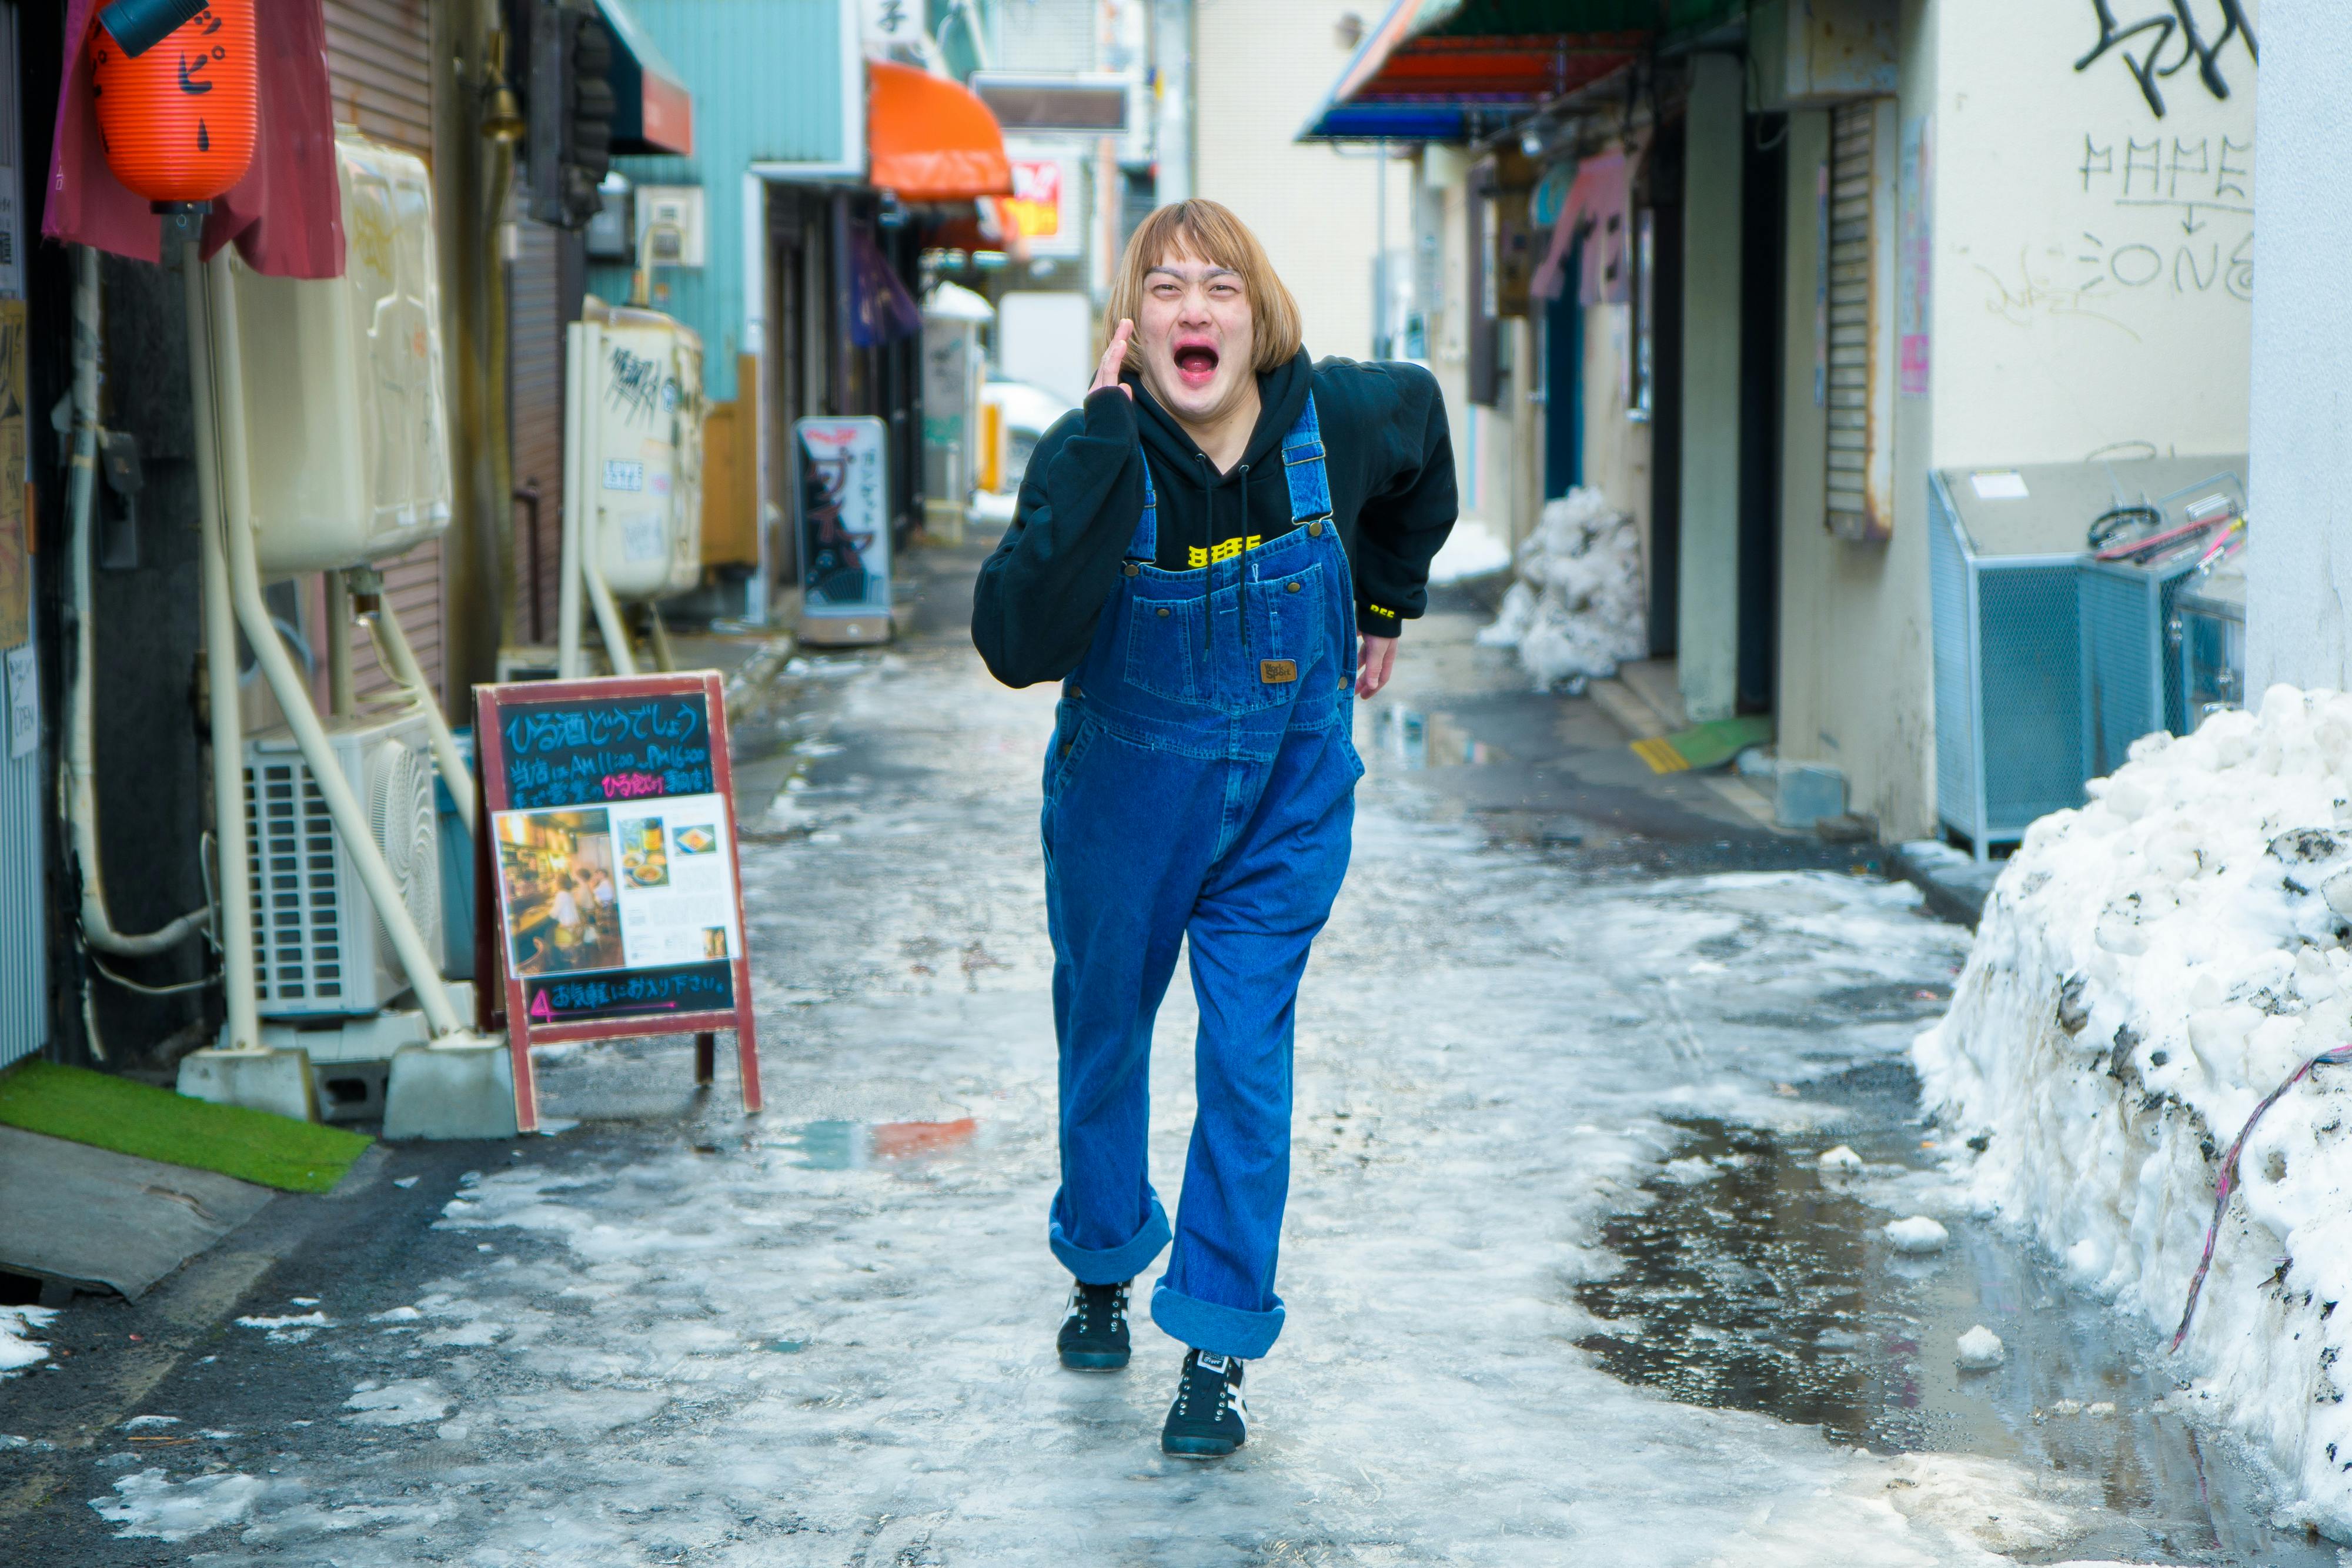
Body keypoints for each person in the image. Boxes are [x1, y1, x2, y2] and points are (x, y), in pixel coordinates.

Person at [972, 199, 1456, 1457]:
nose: (1196, 310)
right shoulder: (1104, 445)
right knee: (1104, 1028)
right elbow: (1013, 641)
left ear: (1258, 310)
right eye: (1167, 288)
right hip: (1123, 803)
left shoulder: (1334, 414)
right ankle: (1098, 1256)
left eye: (1220, 286)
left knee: (1245, 1059)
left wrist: (1388, 601)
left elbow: (1424, 442)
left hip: (1283, 806)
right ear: (1134, 324)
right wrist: (1088, 450)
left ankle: (1218, 1347)